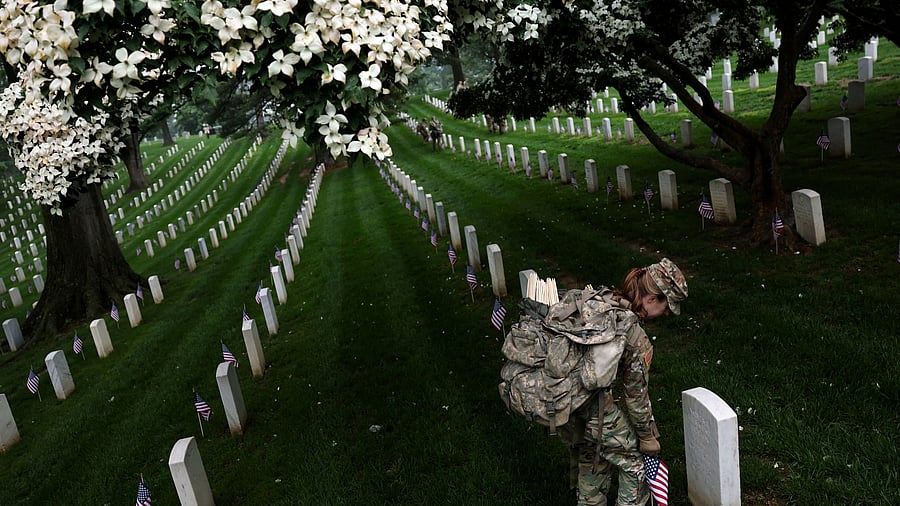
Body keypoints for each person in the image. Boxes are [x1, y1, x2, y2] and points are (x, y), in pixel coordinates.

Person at [557, 257, 688, 506]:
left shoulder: (602, 301)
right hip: (591, 405)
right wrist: (648, 438)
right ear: (651, 299)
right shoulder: (635, 336)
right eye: (667, 307)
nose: (666, 314)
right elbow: (636, 398)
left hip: (563, 403)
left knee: (594, 453)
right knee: (636, 460)